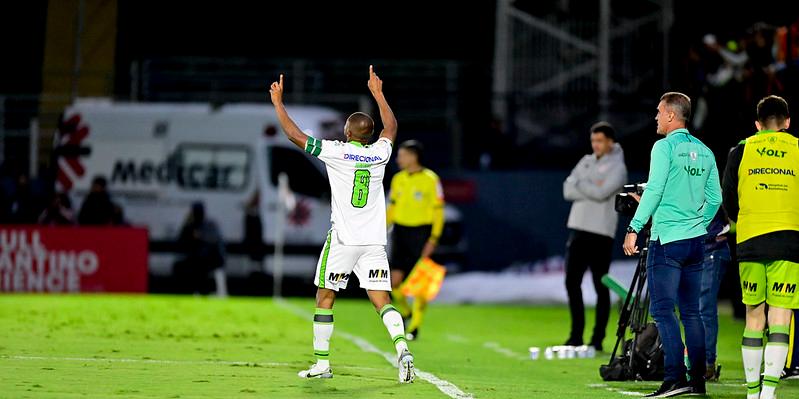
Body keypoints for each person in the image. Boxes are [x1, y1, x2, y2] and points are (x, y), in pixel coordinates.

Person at [270, 66, 415, 383]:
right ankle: (402, 348)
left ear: (348, 133)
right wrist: (378, 94)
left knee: (325, 297)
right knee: (382, 301)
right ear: (370, 135)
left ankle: (322, 364)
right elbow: (391, 127)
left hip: (344, 241)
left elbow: (295, 136)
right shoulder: (379, 153)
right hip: (374, 242)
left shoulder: (337, 151)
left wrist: (279, 104)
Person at [623, 92, 721, 397]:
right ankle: (697, 382)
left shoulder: (663, 147)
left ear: (670, 115)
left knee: (664, 312)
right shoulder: (705, 151)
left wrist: (633, 227)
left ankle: (674, 378)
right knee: (692, 313)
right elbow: (716, 198)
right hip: (695, 244)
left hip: (667, 242)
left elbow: (654, 191)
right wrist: (698, 225)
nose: (655, 117)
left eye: (658, 112)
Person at [721, 95, 799, 399]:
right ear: (788, 122)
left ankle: (753, 394)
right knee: (781, 317)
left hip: (751, 239)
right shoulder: (796, 149)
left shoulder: (740, 152)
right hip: (789, 240)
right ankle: (768, 393)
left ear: (757, 125)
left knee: (754, 316)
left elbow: (729, 200)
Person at [562, 121, 627, 351]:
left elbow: (601, 194)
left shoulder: (618, 167)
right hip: (578, 228)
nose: (596, 145)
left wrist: (580, 183)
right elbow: (566, 189)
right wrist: (586, 184)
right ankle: (576, 335)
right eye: (593, 141)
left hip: (601, 232)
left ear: (610, 141)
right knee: (571, 282)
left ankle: (597, 338)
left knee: (600, 284)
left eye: (600, 140)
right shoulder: (586, 161)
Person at [386, 140, 445, 340]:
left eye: (401, 155)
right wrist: (381, 230)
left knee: (420, 284)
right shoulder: (397, 179)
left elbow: (439, 212)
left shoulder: (431, 179)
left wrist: (434, 239)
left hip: (422, 234)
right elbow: (392, 209)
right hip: (401, 233)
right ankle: (406, 312)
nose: (398, 159)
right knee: (394, 282)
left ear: (413, 156)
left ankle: (415, 327)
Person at [699, 209, 731, 382]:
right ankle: (698, 361)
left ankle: (707, 364)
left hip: (712, 248)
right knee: (694, 309)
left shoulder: (708, 183)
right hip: (697, 249)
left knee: (704, 308)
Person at [174, 202, 226, 294]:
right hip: (193, 259)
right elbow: (181, 241)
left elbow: (215, 239)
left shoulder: (210, 224)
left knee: (201, 266)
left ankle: (205, 291)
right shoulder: (190, 225)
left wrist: (200, 236)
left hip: (209, 259)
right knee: (184, 267)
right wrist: (187, 223)